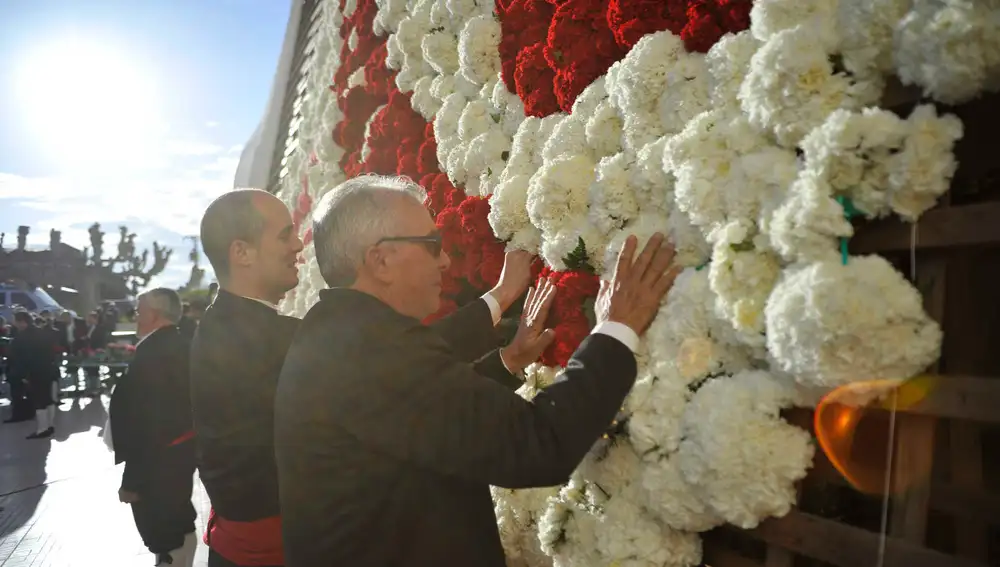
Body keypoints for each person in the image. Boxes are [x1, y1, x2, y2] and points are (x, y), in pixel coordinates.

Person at [273, 175, 680, 566]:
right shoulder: (369, 351)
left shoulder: (342, 334)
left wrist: (509, 360)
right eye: (432, 244)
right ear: (381, 260)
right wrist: (615, 326)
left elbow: (420, 417)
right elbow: (538, 442)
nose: (446, 259)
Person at [190, 189, 305, 567]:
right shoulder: (267, 338)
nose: (298, 244)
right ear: (242, 252)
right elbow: (394, 359)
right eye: (285, 234)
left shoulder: (220, 324)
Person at [109, 288, 197, 566]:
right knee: (180, 522)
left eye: (139, 311)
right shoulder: (181, 344)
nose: (135, 316)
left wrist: (132, 480)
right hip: (178, 456)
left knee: (163, 535)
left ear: (154, 314)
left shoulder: (153, 354)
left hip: (157, 465)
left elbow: (146, 425)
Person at [7, 311, 60, 439]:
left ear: (22, 322)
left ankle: (42, 429)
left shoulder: (22, 337)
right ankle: (50, 425)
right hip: (48, 369)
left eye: (15, 321)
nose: (14, 323)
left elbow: (21, 358)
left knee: (39, 400)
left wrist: (23, 374)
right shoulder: (43, 332)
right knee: (48, 399)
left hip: (34, 372)